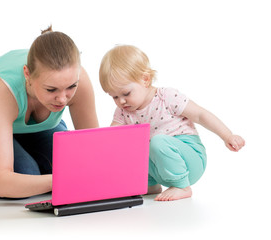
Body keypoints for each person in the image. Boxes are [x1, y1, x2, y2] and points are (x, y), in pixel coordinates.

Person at [0, 26, 99, 199]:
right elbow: (3, 183)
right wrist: (61, 180)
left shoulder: (80, 80)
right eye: (51, 90)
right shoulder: (3, 89)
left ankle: (26, 161)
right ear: (27, 74)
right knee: (26, 175)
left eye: (71, 87)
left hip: (31, 130)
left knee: (66, 166)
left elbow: (93, 152)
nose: (62, 99)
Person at [99, 45, 245, 201]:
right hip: (160, 168)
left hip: (190, 160)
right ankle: (150, 184)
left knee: (157, 141)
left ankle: (182, 186)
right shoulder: (123, 111)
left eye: (126, 93)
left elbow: (200, 115)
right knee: (132, 146)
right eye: (114, 97)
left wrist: (227, 135)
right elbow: (111, 137)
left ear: (145, 80)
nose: (121, 101)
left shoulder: (166, 97)